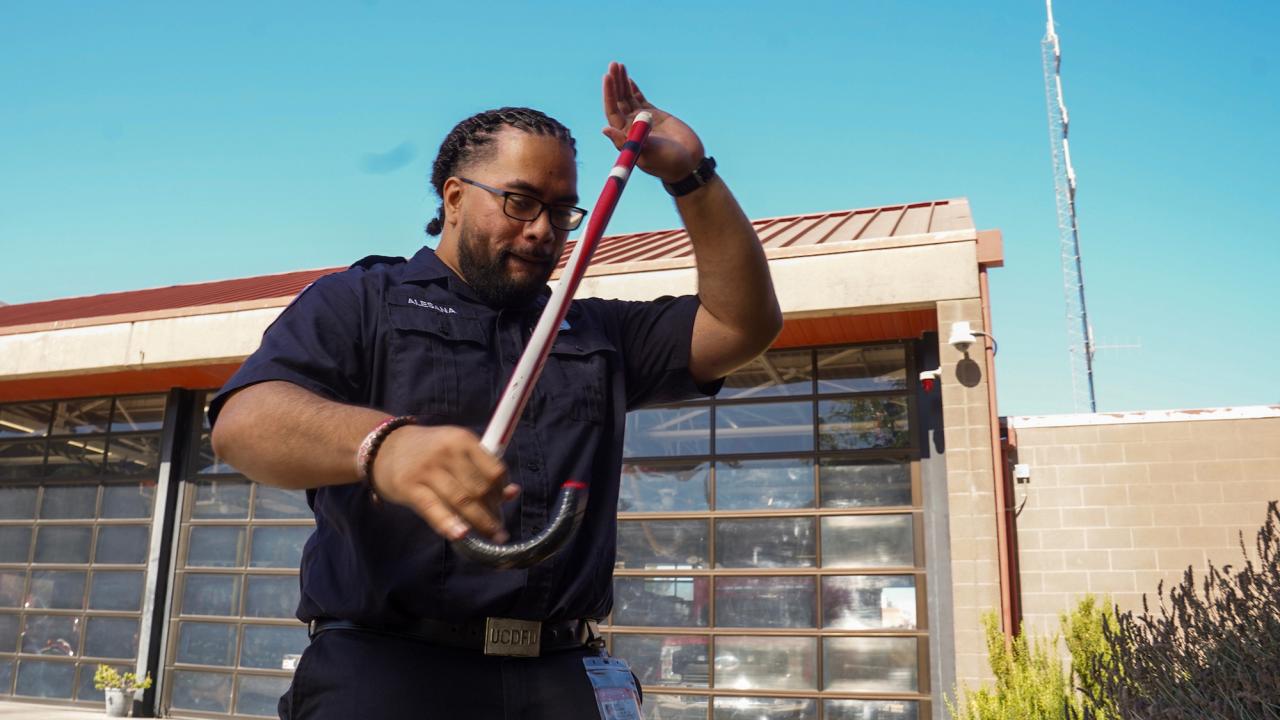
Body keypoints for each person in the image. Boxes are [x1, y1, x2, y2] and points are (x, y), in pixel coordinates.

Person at [209, 61, 781, 720]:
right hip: (389, 672)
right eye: (519, 201)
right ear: (454, 198)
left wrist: (691, 174)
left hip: (562, 672)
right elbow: (244, 421)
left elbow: (743, 325)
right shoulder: (361, 301)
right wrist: (384, 448)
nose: (544, 229)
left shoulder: (597, 328)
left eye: (563, 210)